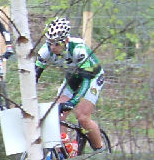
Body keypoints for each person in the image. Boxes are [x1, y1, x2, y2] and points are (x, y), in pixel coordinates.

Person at [35, 17, 105, 150]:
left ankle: (100, 152)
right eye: (50, 43)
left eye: (56, 44)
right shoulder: (45, 51)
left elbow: (85, 80)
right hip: (72, 77)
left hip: (92, 77)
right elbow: (34, 76)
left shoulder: (78, 49)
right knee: (56, 112)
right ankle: (64, 148)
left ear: (66, 41)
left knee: (82, 116)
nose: (52, 47)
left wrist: (73, 102)